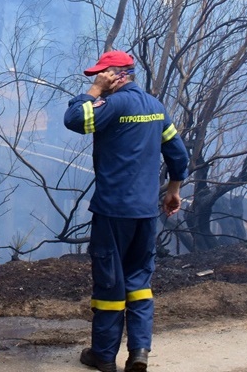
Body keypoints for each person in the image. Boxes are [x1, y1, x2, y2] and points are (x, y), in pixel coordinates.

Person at [63, 50, 189, 372]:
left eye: (100, 75)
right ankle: (139, 352)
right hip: (146, 214)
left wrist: (92, 93)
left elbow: (75, 119)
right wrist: (173, 191)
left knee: (110, 283)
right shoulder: (154, 107)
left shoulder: (114, 104)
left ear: (116, 75)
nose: (96, 81)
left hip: (113, 212)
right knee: (139, 281)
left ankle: (104, 356)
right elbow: (179, 155)